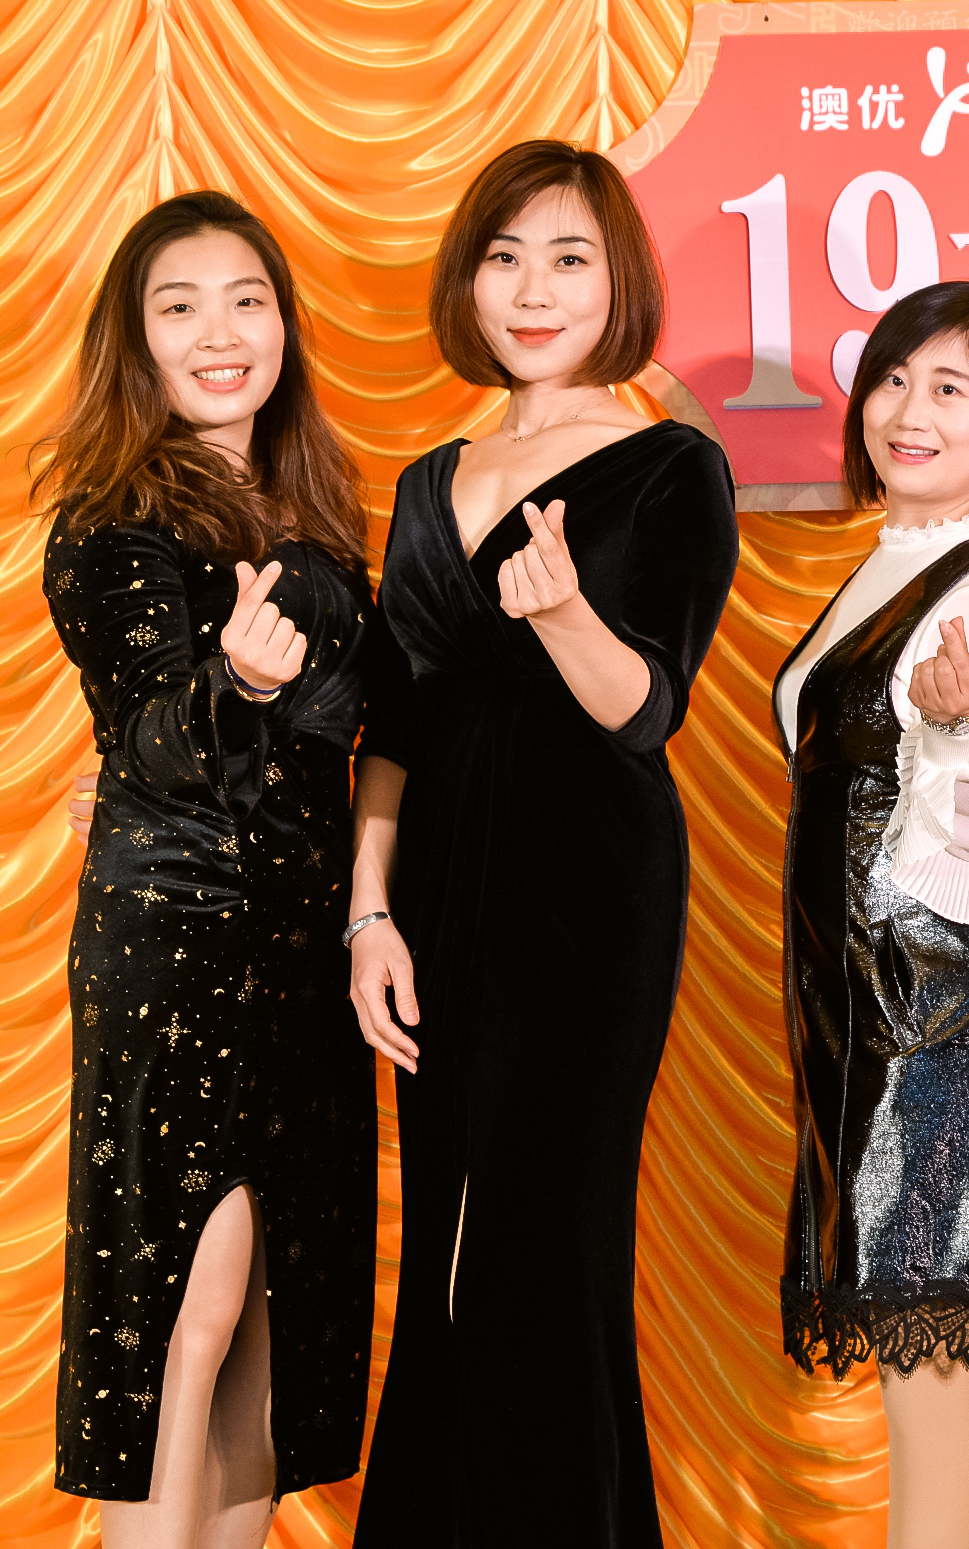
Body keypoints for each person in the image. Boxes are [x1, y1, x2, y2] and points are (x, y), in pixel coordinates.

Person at [341, 140, 739, 1546]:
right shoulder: (425, 480)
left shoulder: (674, 465)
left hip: (590, 896)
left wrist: (565, 612)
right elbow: (393, 721)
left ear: (618, 283)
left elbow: (648, 710)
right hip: (435, 890)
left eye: (569, 259)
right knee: (445, 1252)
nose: (532, 290)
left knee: (546, 1245)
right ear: (468, 281)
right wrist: (368, 914)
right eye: (504, 258)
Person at [36, 189, 376, 1547]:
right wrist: (235, 682)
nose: (219, 334)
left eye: (246, 301)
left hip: (300, 955)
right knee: (191, 1302)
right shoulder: (110, 521)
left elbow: (365, 727)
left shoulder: (320, 510)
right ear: (137, 342)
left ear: (284, 324)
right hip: (178, 951)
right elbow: (149, 732)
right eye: (179, 309)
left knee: (267, 1330)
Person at [774, 280, 969, 1549]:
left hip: (937, 1017)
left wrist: (960, 734)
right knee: (948, 1372)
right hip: (864, 1010)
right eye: (893, 379)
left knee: (929, 1372)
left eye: (950, 388)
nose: (908, 411)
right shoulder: (891, 559)